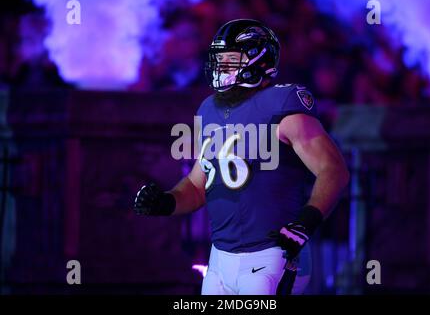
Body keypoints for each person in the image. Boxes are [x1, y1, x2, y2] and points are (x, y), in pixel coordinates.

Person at [133, 19, 349, 295]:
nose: (220, 66)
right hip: (220, 255)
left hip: (272, 252)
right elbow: (201, 183)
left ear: (259, 59)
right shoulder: (209, 108)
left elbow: (333, 169)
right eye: (219, 59)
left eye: (230, 59)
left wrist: (305, 223)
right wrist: (166, 201)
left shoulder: (282, 103)